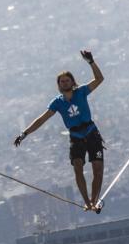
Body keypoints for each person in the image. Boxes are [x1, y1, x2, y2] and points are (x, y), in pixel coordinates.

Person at [14, 50, 105, 212]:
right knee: (78, 167)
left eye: (67, 81)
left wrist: (91, 62)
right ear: (58, 85)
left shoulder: (82, 92)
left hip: (91, 133)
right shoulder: (57, 103)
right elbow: (41, 119)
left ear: (72, 82)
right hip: (76, 136)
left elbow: (99, 79)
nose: (64, 83)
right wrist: (24, 133)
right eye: (61, 82)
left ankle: (94, 199)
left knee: (97, 169)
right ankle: (87, 202)